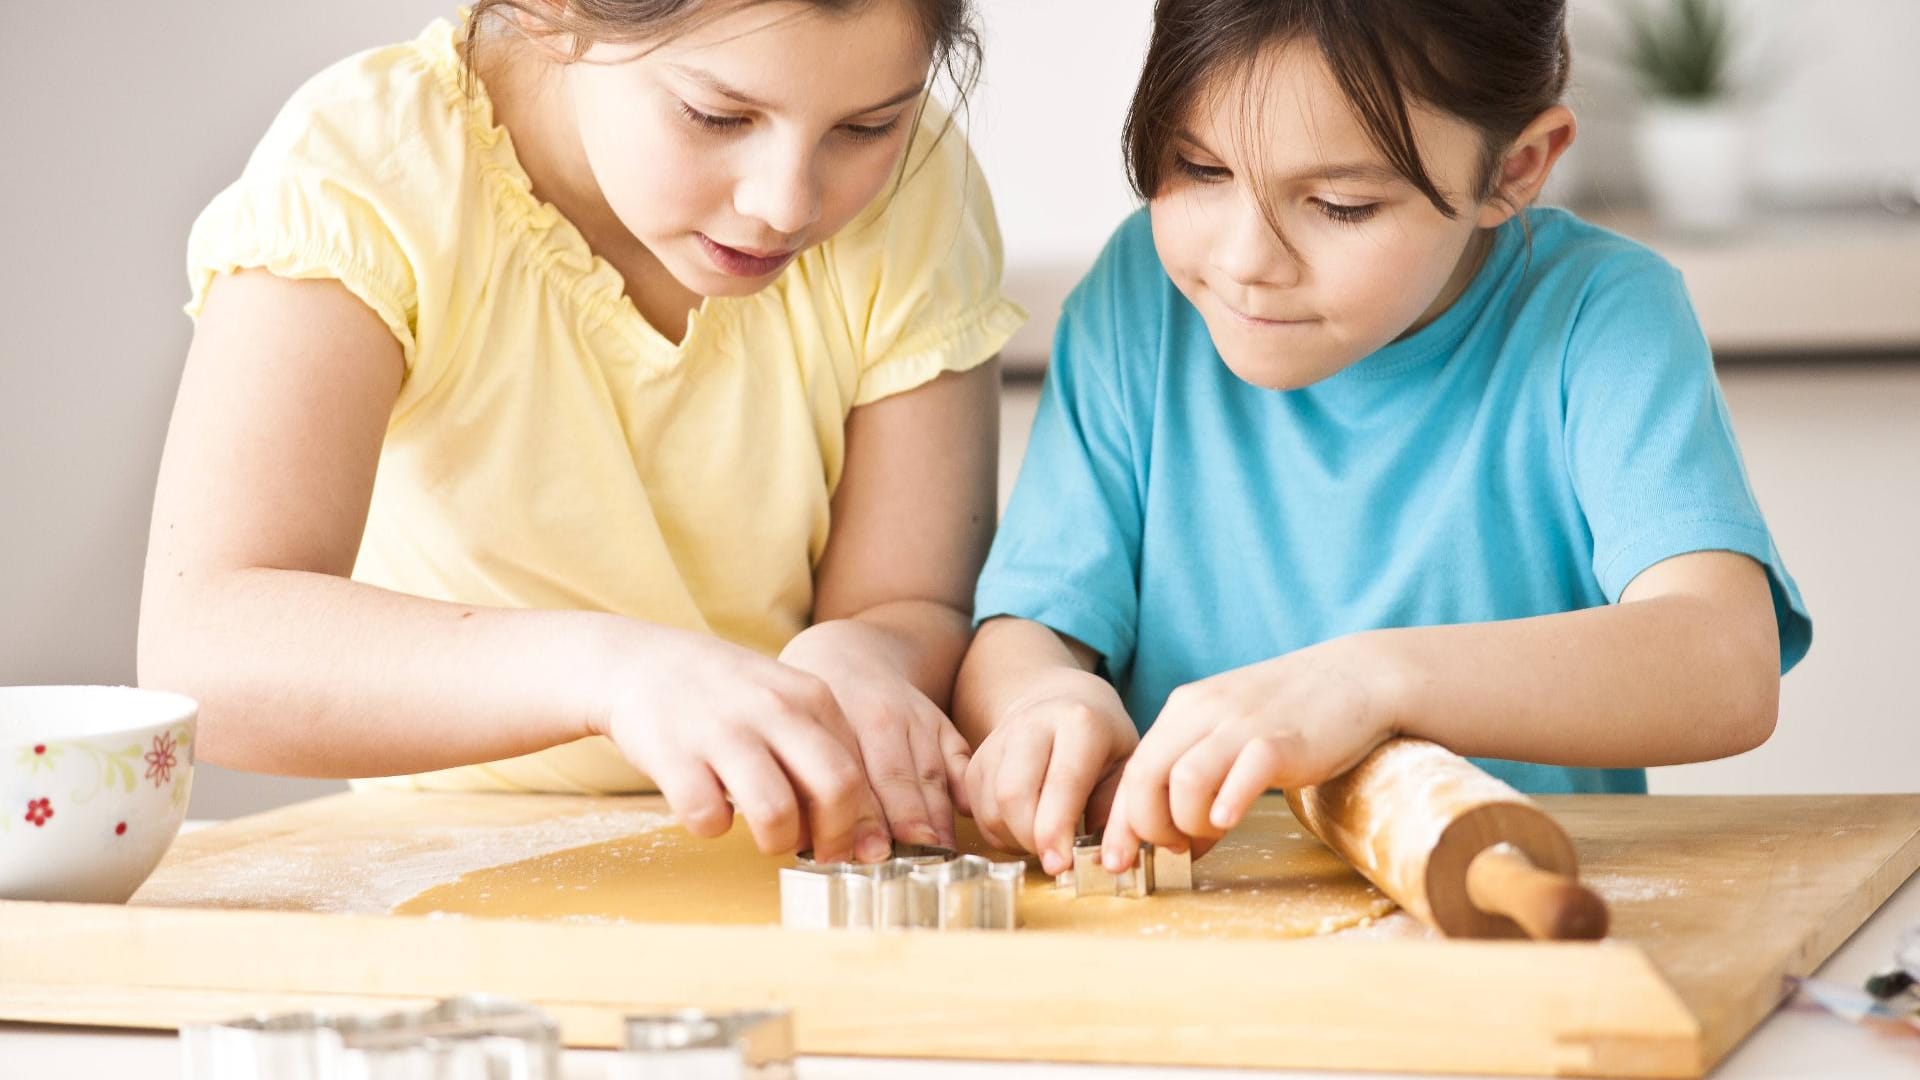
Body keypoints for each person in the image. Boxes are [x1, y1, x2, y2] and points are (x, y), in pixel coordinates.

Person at [139, 0, 1023, 865]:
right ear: (550, 15)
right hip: (442, 854)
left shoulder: (914, 193)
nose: (786, 202)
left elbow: (909, 603)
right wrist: (615, 674)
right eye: (717, 115)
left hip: (776, 847)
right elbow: (206, 647)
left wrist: (864, 653)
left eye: (866, 127)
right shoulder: (368, 170)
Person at [954, 0, 1809, 879]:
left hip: (1511, 918)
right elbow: (1026, 633)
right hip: (1204, 917)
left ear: (1514, 168)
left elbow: (1726, 665)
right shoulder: (1141, 297)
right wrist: (1045, 701)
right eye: (1199, 168)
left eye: (1341, 204)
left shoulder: (1600, 315)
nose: (1248, 258)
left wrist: (1368, 684)